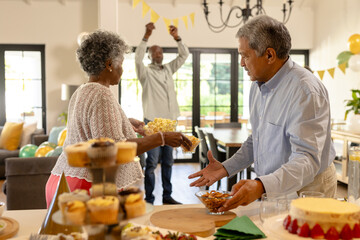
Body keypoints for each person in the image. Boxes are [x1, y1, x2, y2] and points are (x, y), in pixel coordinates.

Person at [189, 15, 337, 211]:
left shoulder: (305, 90)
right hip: (275, 187)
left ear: (269, 55)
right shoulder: (258, 85)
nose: (241, 63)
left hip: (310, 189)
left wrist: (261, 185)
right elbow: (257, 140)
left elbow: (307, 159)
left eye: (245, 55)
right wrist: (226, 167)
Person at [45, 29, 192, 207]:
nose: (122, 70)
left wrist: (124, 121)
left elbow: (90, 128)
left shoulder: (82, 90)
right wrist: (162, 138)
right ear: (109, 64)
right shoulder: (102, 94)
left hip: (62, 181)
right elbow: (114, 150)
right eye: (121, 63)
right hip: (86, 187)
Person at [135, 22, 190, 205]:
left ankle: (167, 196)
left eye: (160, 52)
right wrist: (146, 36)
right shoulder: (145, 73)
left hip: (170, 123)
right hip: (152, 122)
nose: (158, 55)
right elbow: (137, 58)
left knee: (168, 162)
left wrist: (177, 38)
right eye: (154, 52)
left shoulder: (168, 69)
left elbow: (184, 55)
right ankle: (149, 199)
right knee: (151, 164)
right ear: (150, 55)